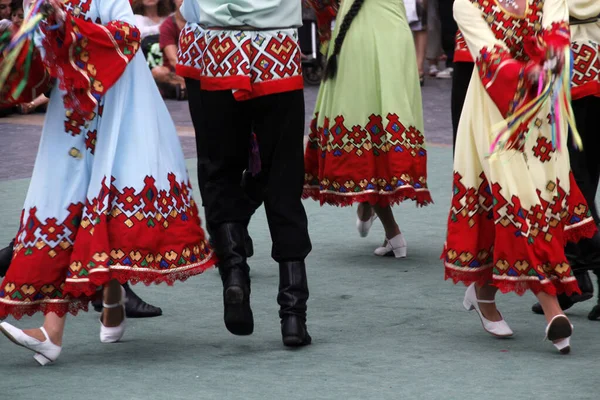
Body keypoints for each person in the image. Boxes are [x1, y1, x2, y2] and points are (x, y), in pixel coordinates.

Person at [0, 0, 214, 365]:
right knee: (65, 205)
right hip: (70, 111)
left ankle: (61, 329)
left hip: (119, 101)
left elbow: (127, 33)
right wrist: (22, 44)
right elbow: (45, 62)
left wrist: (67, 25)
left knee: (99, 200)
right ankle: (98, 310)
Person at [444, 0, 596, 354]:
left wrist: (551, 62)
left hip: (542, 114)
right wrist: (528, 73)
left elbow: (557, 34)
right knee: (520, 206)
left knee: (539, 204)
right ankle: (552, 313)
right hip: (494, 116)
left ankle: (484, 291)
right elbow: (489, 55)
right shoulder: (466, 4)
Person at [177, 0, 312, 347]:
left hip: (216, 45)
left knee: (219, 167)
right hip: (276, 47)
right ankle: (293, 314)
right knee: (283, 176)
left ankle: (235, 273)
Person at [304, 0, 432, 258]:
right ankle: (372, 209)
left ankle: (390, 228)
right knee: (378, 122)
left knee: (362, 121)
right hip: (393, 29)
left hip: (359, 31)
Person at [530, 0, 600, 319]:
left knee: (573, 179)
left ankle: (579, 271)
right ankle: (573, 275)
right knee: (578, 176)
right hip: (582, 57)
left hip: (576, 59)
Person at [151, 0, 186, 100]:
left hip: (198, 70)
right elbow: (173, 59)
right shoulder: (168, 25)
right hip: (176, 72)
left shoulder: (200, 22)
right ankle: (184, 87)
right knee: (158, 72)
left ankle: (183, 89)